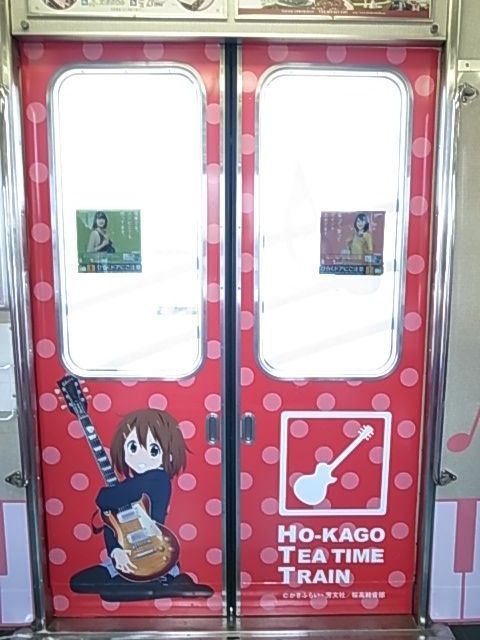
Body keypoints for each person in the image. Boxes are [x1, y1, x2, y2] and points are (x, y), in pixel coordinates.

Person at [70, 408, 213, 601]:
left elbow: (106, 498)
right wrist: (116, 552)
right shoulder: (127, 486)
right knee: (78, 583)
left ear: (170, 456)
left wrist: (105, 496)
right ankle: (164, 585)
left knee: (109, 594)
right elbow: (112, 526)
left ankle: (169, 580)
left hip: (157, 552)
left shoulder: (157, 479)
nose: (140, 457)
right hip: (126, 555)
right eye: (133, 448)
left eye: (153, 450)